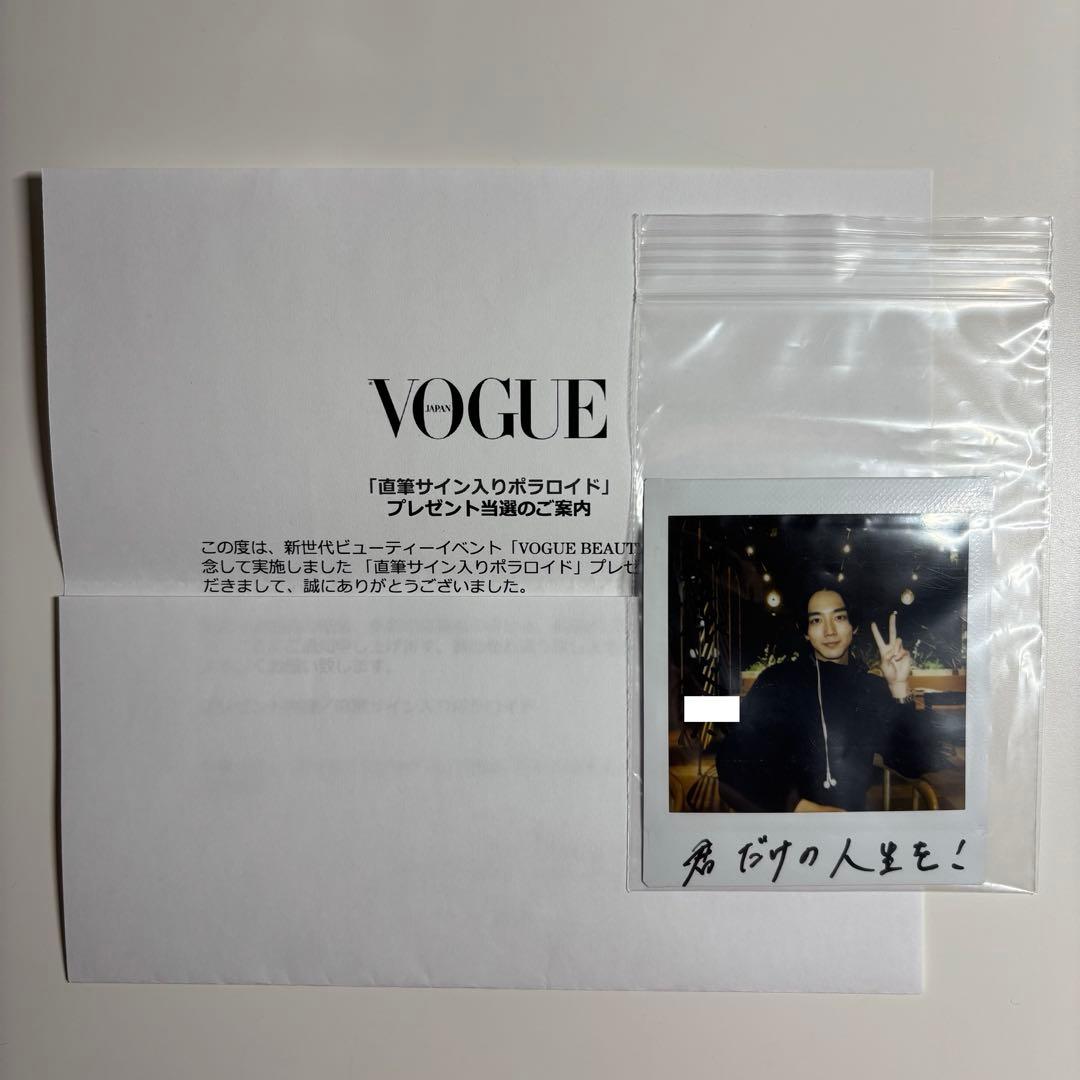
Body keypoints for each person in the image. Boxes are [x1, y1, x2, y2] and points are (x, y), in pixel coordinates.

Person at [714, 588, 935, 812]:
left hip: (849, 825)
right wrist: (801, 808)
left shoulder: (870, 688)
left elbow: (915, 763)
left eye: (839, 618)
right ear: (806, 632)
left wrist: (899, 686)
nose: (829, 631)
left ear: (853, 626)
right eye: (816, 620)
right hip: (786, 823)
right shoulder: (779, 682)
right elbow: (733, 761)